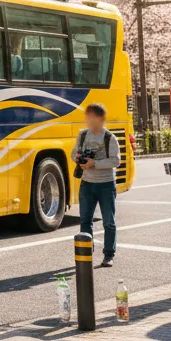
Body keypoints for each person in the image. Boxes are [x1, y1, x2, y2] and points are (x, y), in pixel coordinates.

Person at [74, 103, 121, 267]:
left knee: (109, 220)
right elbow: (74, 153)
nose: (88, 119)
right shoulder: (82, 135)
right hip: (86, 183)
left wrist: (95, 163)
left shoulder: (109, 137)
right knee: (85, 220)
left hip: (106, 184)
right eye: (87, 116)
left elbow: (116, 160)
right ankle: (86, 252)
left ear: (100, 119)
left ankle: (109, 254)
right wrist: (78, 158)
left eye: (91, 116)